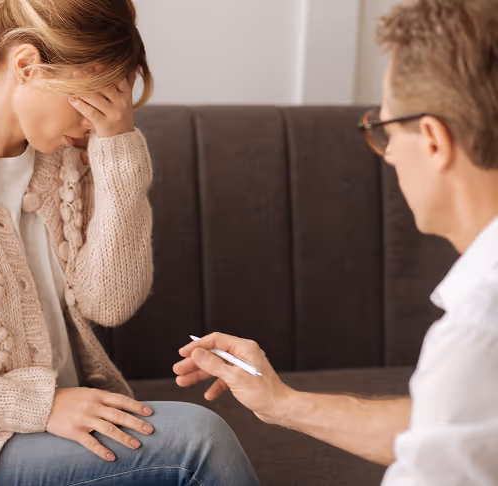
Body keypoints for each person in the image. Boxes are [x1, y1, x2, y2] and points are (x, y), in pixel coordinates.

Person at [0, 0, 260, 484]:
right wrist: (42, 405)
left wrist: (117, 149)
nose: (94, 122)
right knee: (200, 440)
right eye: (90, 101)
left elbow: (111, 303)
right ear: (27, 66)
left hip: (63, 436)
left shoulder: (66, 154)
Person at [175, 0, 498, 484]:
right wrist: (279, 402)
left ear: (433, 140)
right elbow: (452, 428)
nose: (388, 156)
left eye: (386, 130)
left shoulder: (477, 333)